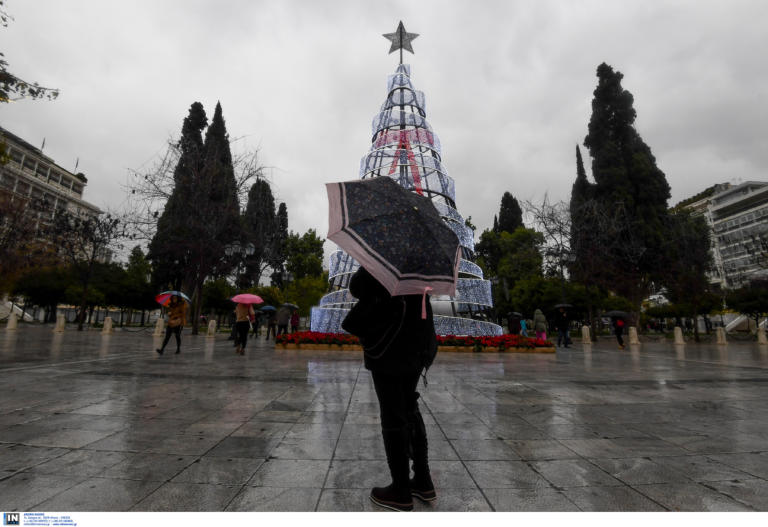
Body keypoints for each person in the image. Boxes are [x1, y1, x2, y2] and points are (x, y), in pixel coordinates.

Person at [342, 267, 438, 512]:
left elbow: (358, 287)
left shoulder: (387, 254)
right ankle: (423, 481)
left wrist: (365, 265)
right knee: (409, 406)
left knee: (393, 413)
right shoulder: (422, 257)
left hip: (391, 344)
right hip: (419, 338)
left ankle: (400, 490)